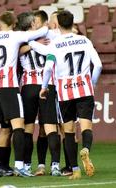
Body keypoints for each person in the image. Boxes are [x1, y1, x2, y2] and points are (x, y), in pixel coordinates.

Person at [39, 10, 102, 180]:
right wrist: (92, 83)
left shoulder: (55, 44)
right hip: (84, 90)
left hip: (65, 92)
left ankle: (75, 169)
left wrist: (44, 87)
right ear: (73, 22)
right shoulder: (84, 40)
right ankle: (86, 149)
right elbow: (98, 65)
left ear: (57, 24)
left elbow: (48, 68)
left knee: (68, 132)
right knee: (86, 127)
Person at [0, 11, 48, 177]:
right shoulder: (15, 35)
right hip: (8, 87)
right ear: (14, 23)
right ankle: (20, 165)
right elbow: (41, 32)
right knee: (19, 126)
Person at [18, 10, 61, 177]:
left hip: (28, 86)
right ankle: (55, 165)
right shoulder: (53, 35)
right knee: (50, 128)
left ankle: (28, 166)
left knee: (28, 129)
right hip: (47, 84)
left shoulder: (20, 38)